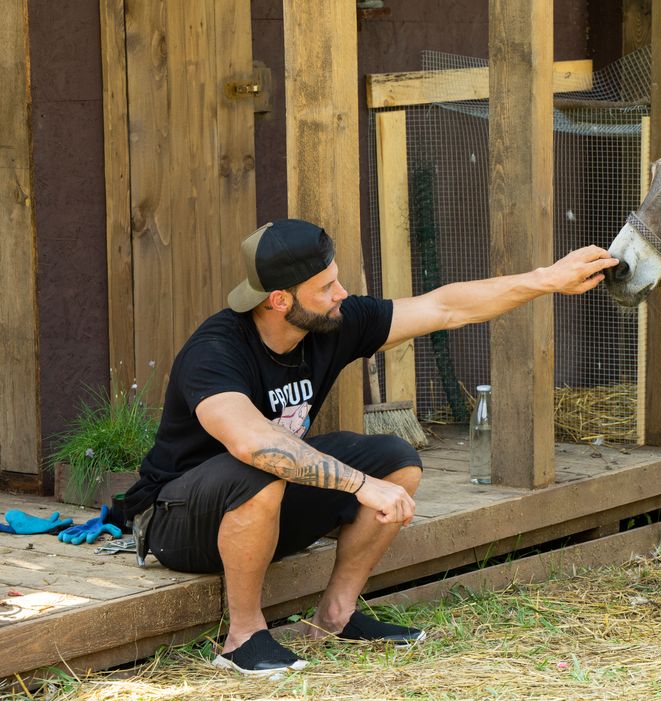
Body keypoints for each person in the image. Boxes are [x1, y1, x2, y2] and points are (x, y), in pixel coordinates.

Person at [120, 218, 617, 675]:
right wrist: (359, 486)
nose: (342, 294)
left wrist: (547, 279)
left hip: (263, 507)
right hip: (177, 524)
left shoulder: (332, 322)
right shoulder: (216, 351)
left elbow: (445, 307)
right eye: (325, 287)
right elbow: (253, 443)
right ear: (279, 300)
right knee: (265, 466)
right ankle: (243, 638)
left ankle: (337, 616)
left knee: (394, 461)